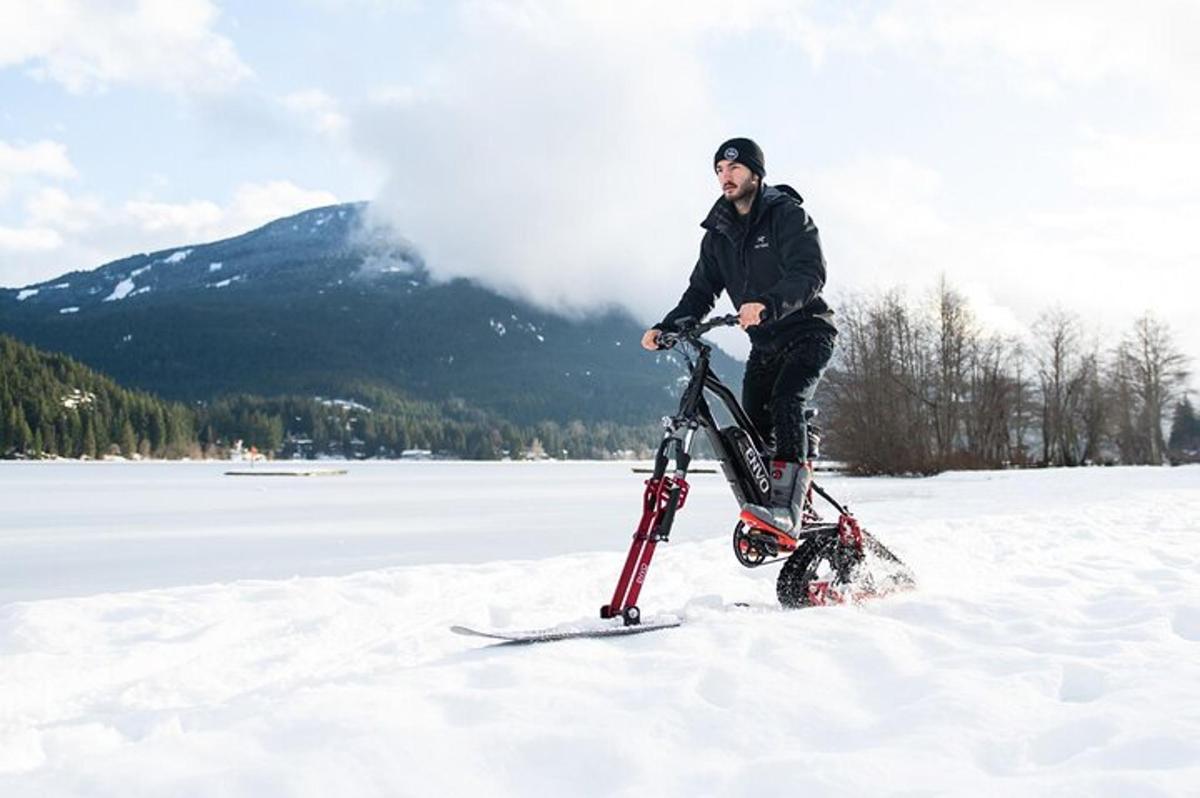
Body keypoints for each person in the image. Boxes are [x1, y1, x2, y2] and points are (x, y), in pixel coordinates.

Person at [641, 137, 836, 536]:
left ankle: (788, 510)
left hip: (808, 333)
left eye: (733, 168)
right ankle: (778, 503)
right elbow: (700, 292)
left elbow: (810, 273)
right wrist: (668, 327)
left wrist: (767, 303)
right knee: (753, 430)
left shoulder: (786, 215)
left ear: (755, 173)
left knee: (787, 401)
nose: (725, 177)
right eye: (719, 170)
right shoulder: (718, 235)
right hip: (765, 345)